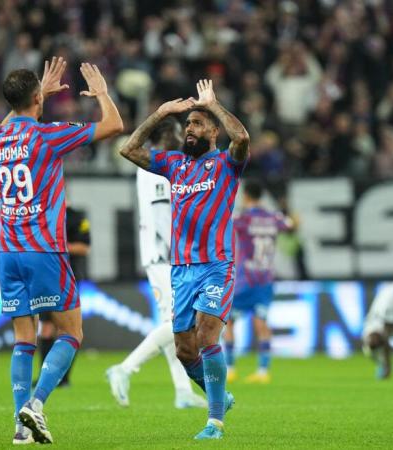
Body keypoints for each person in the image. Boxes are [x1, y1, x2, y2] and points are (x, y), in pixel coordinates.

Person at [0, 57, 122, 444]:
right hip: (43, 248)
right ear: (37, 97)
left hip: (7, 249)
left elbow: (9, 121)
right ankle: (36, 404)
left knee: (23, 338)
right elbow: (113, 125)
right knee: (72, 331)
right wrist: (101, 93)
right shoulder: (47, 135)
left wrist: (33, 96)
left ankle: (20, 427)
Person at [119, 79, 250, 440]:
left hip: (216, 265)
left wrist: (215, 104)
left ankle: (215, 421)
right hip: (181, 269)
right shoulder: (174, 164)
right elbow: (129, 149)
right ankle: (219, 396)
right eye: (187, 124)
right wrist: (161, 113)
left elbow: (241, 139)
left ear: (211, 130)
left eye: (196, 124)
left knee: (208, 335)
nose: (189, 129)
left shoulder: (226, 163)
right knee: (183, 349)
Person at [106, 116, 207, 410]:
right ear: (167, 135)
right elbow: (162, 213)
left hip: (158, 254)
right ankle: (125, 368)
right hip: (164, 255)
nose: (183, 135)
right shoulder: (159, 168)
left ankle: (182, 391)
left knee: (172, 322)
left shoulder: (150, 165)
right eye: (179, 131)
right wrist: (182, 250)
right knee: (179, 323)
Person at [223, 181, 295, 384]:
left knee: (228, 322)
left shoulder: (243, 217)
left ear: (245, 196)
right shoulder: (273, 217)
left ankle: (230, 369)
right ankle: (263, 371)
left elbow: (221, 223)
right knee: (261, 322)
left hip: (245, 279)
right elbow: (291, 225)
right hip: (265, 279)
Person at [37, 205, 91, 388]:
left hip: (70, 278)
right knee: (45, 328)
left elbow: (84, 247)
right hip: (46, 277)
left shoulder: (76, 217)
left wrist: (58, 247)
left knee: (68, 329)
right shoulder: (42, 215)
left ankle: (64, 377)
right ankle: (45, 376)